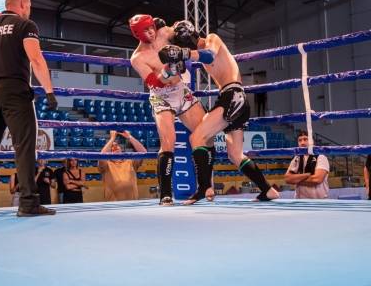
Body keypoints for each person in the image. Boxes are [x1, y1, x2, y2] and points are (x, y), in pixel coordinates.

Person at [159, 20, 279, 204]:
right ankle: (267, 190)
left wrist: (183, 53)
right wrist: (174, 66)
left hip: (233, 96)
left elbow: (209, 55)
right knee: (234, 154)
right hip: (235, 98)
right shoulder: (197, 52)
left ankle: (204, 188)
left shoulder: (212, 39)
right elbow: (181, 67)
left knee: (196, 138)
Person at [0, 0, 57, 216]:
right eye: (28, 6)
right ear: (22, 4)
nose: (29, 11)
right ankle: (28, 202)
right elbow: (36, 58)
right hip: (14, 90)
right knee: (25, 144)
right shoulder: (25, 25)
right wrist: (49, 91)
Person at [129, 14, 208, 206]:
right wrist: (169, 70)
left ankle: (205, 187)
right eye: (145, 30)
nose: (150, 32)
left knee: (204, 133)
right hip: (161, 96)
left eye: (151, 28)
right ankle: (165, 194)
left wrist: (185, 31)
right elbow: (154, 82)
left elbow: (180, 32)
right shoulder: (137, 58)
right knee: (168, 142)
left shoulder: (163, 33)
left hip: (180, 89)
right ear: (137, 34)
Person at [98, 130, 144, 201]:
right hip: (113, 204)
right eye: (112, 146)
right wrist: (112, 138)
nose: (115, 147)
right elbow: (101, 156)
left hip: (132, 203)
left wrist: (129, 137)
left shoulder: (130, 162)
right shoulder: (106, 164)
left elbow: (143, 152)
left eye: (117, 145)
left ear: (121, 149)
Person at [284, 131, 329, 199]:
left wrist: (296, 179)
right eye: (300, 140)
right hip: (300, 201)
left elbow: (316, 179)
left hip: (318, 201)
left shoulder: (321, 157)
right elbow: (287, 179)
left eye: (305, 139)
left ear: (312, 141)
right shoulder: (297, 158)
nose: (302, 143)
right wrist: (307, 175)